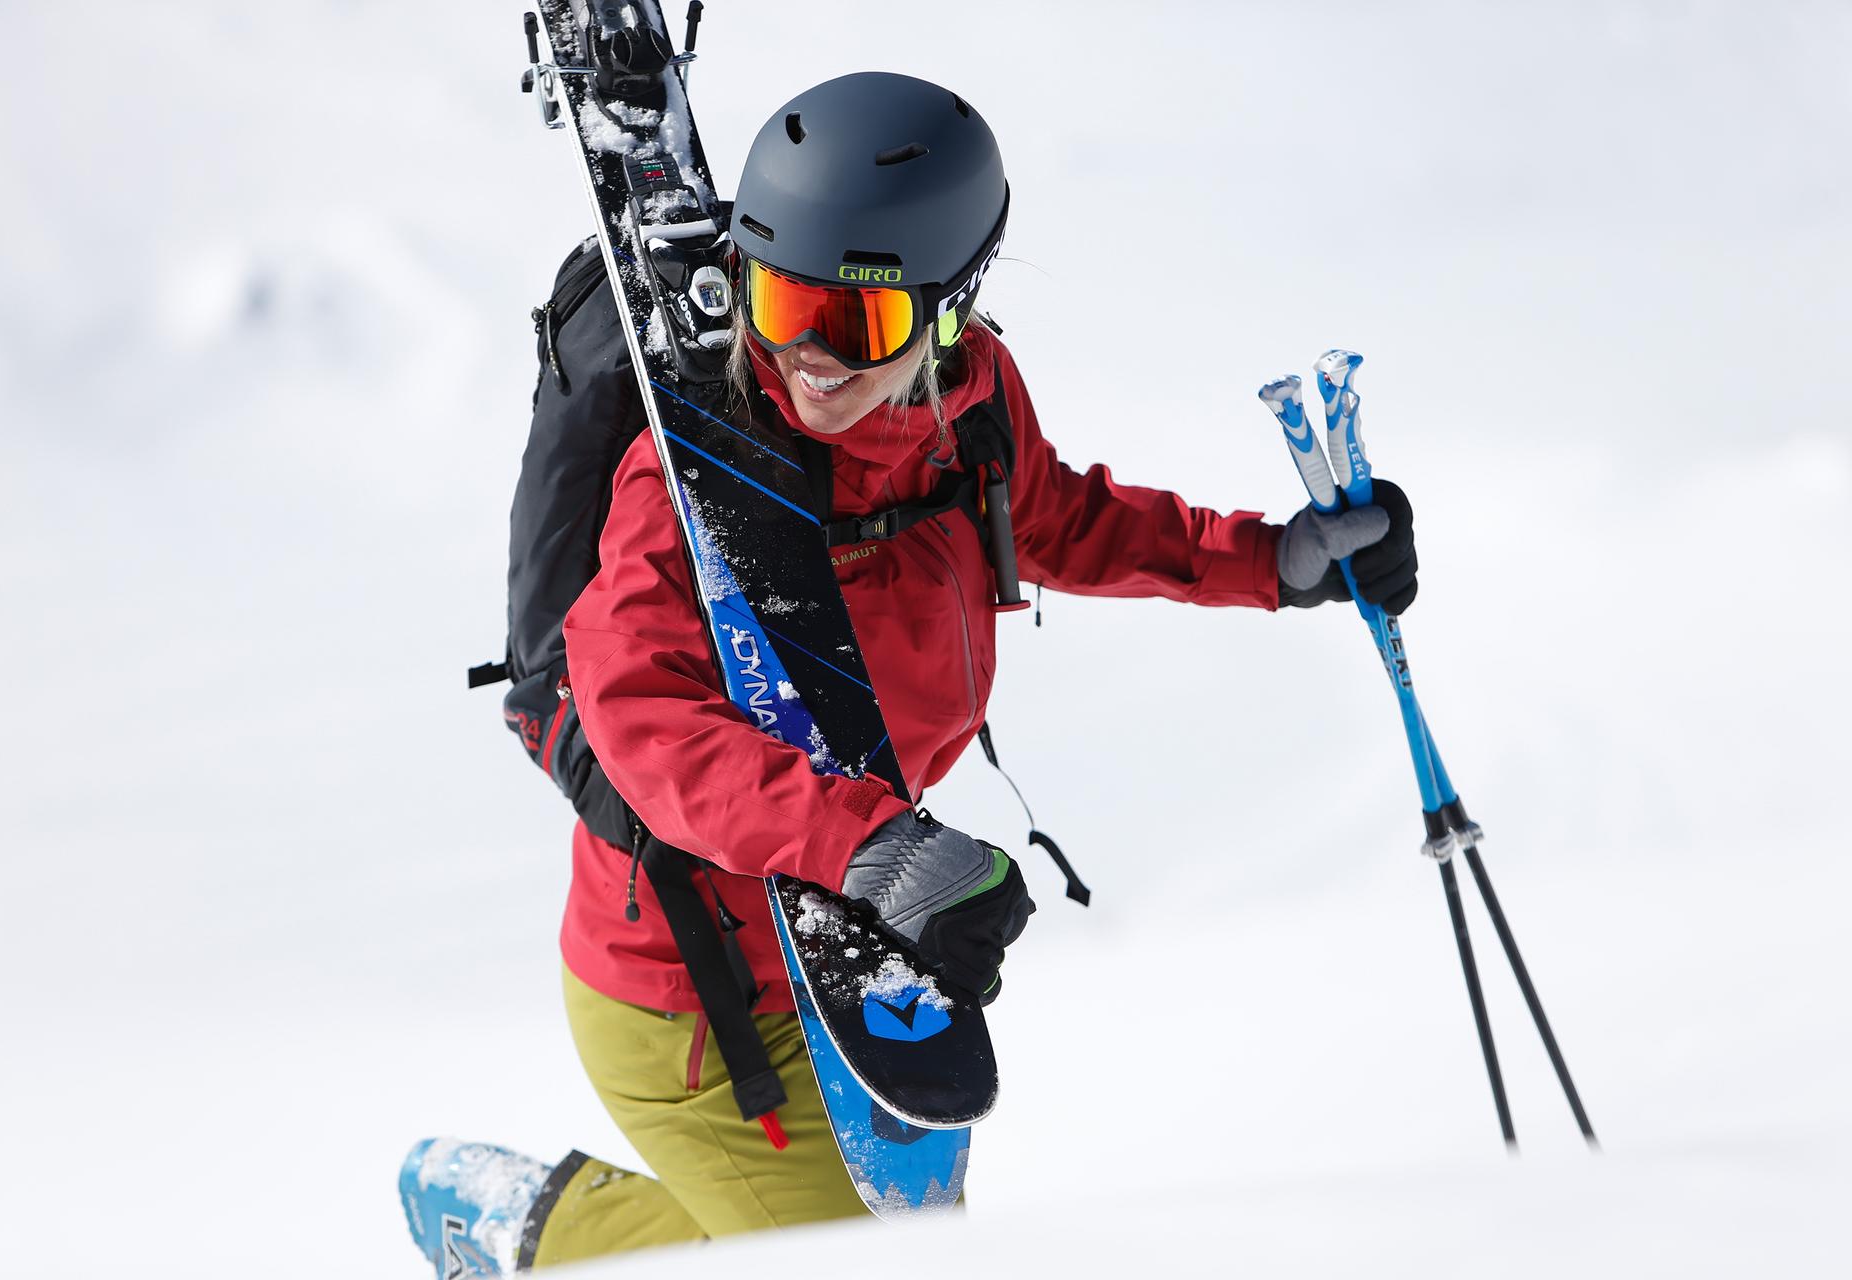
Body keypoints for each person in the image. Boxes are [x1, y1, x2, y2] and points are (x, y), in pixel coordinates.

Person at [432, 71, 1417, 1270]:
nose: (804, 358)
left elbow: (1058, 518)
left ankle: (542, 1228)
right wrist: (871, 844)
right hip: (697, 1002)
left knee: (869, 1244)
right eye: (777, 297)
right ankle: (541, 1245)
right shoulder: (691, 475)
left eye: (857, 325)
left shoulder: (975, 406)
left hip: (857, 954)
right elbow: (637, 713)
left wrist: (1274, 560)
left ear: (949, 316)